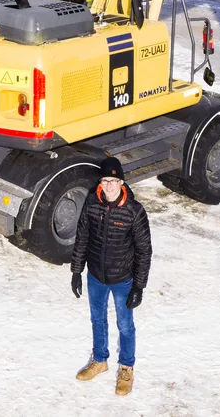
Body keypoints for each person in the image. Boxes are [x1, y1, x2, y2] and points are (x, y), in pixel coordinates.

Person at [70, 156, 152, 396]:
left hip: (123, 279)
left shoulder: (134, 211)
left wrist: (138, 286)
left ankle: (126, 367)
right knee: (97, 319)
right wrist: (76, 270)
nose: (109, 185)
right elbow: (82, 236)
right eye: (105, 180)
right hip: (95, 275)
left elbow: (144, 250)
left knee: (125, 325)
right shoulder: (92, 203)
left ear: (122, 182)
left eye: (114, 180)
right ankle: (100, 360)